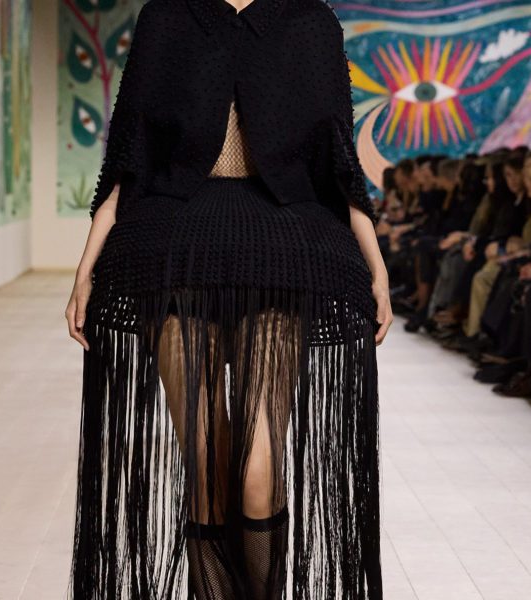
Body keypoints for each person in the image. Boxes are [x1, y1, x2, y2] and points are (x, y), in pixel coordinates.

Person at [63, 0, 392, 598]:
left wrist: (376, 266)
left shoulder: (304, 20)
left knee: (246, 469)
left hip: (263, 256)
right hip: (191, 256)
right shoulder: (173, 16)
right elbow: (129, 154)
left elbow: (338, 161)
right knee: (216, 462)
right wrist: (85, 269)